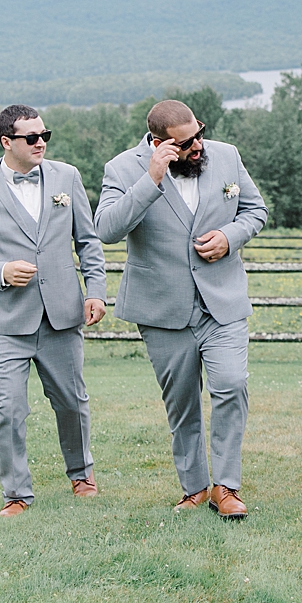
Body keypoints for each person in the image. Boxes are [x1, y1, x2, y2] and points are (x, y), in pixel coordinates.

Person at [96, 101, 268, 519]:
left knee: (231, 384)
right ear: (159, 144)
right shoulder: (121, 169)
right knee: (182, 403)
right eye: (187, 142)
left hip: (221, 302)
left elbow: (255, 210)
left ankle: (226, 487)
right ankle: (194, 487)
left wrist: (230, 236)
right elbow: (106, 229)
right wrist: (151, 179)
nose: (198, 146)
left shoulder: (225, 155)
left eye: (199, 133)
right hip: (162, 309)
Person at [0, 105, 109, 518]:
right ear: (7, 142)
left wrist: (95, 291)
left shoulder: (67, 177)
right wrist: (0, 271)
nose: (41, 142)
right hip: (5, 321)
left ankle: (81, 474)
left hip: (62, 313)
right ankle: (17, 494)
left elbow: (88, 242)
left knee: (72, 402)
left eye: (45, 135)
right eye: (31, 137)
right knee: (7, 407)